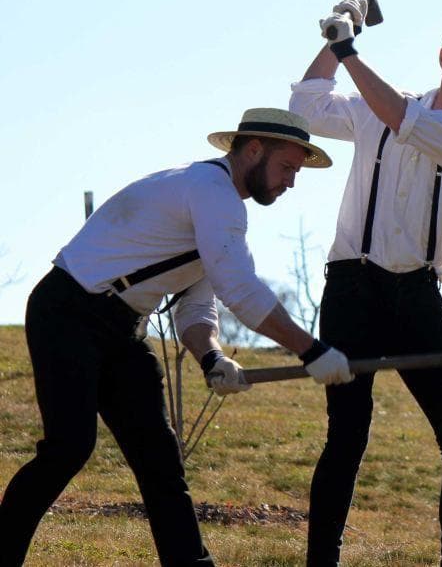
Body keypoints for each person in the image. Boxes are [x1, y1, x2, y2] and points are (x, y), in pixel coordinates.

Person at [0, 108, 354, 566]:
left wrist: (212, 357)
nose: (291, 182)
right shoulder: (211, 192)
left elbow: (196, 305)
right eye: (288, 167)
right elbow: (240, 289)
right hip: (68, 310)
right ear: (252, 150)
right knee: (69, 447)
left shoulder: (219, 208)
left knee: (160, 460)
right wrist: (311, 349)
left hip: (120, 328)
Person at [288, 0, 442, 566]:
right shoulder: (375, 109)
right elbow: (306, 107)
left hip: (418, 294)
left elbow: (409, 123)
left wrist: (350, 52)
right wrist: (338, 37)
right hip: (351, 289)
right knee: (347, 436)